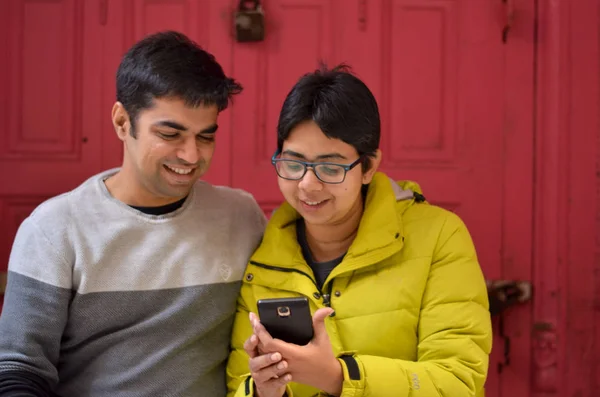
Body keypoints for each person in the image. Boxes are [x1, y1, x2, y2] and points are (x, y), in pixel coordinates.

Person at [0, 31, 266, 396]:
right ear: (123, 122)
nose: (191, 156)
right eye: (171, 134)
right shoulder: (54, 229)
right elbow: (18, 368)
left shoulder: (242, 217)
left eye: (205, 137)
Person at [226, 65, 492, 397]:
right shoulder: (265, 260)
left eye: (330, 167)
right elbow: (239, 383)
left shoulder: (439, 237)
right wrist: (264, 391)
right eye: (293, 164)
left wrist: (339, 377)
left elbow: (458, 382)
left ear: (368, 167)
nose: (308, 185)